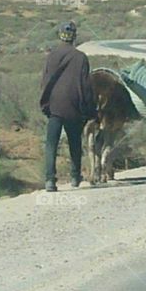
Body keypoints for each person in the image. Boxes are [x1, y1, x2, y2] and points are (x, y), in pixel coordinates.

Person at [39, 21, 96, 191]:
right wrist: (89, 110)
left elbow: (44, 82)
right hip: (74, 106)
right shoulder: (81, 57)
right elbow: (86, 87)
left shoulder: (52, 56)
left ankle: (50, 180)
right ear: (74, 37)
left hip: (55, 105)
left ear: (59, 36)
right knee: (75, 142)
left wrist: (45, 104)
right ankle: (75, 176)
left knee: (51, 144)